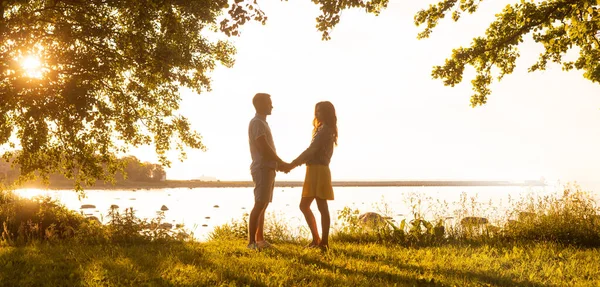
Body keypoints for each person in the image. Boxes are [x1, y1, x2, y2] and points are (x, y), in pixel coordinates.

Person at [288, 101, 338, 251]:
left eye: (320, 111)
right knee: (304, 206)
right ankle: (317, 239)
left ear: (327, 113)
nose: (317, 114)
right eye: (316, 111)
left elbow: (312, 150)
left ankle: (324, 242)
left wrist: (293, 163)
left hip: (319, 170)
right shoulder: (321, 129)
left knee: (322, 206)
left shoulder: (325, 130)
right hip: (313, 170)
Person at [247, 93, 290, 250]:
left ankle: (260, 240)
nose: (272, 106)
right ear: (259, 104)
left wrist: (278, 165)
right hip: (262, 168)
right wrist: (281, 163)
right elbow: (264, 148)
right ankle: (251, 242)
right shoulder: (257, 123)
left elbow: (267, 149)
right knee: (259, 204)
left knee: (263, 204)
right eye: (269, 103)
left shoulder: (262, 123)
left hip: (268, 168)